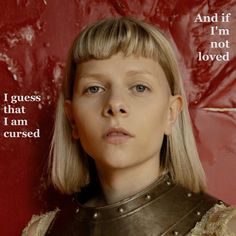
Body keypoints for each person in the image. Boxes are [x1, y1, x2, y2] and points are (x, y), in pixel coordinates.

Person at [22, 17, 236, 236]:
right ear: (72, 119)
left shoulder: (224, 229)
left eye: (139, 87)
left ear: (171, 113)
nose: (115, 103)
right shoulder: (40, 232)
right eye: (94, 89)